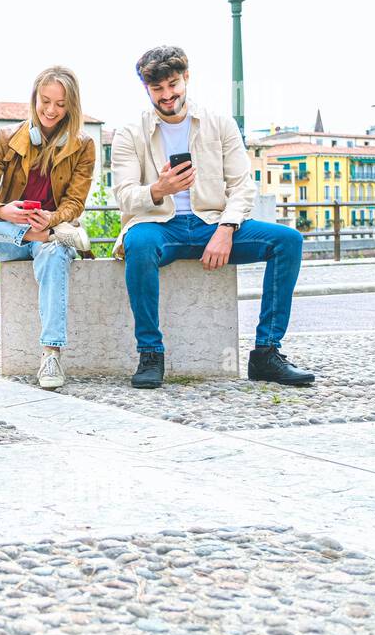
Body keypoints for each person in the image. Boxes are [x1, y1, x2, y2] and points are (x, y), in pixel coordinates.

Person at [113, 45, 314, 388]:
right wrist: (158, 189)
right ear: (146, 88)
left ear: (186, 78)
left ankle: (266, 353)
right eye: (157, 88)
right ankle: (150, 352)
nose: (166, 95)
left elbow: (242, 186)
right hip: (160, 226)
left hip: (212, 224)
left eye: (173, 85)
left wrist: (226, 227)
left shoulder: (219, 124)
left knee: (288, 241)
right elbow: (124, 196)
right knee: (138, 243)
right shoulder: (129, 133)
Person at [0, 66, 95, 388]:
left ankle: (51, 355)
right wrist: (2, 210)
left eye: (60, 104)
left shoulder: (83, 145)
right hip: (11, 235)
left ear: (71, 106)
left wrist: (52, 219)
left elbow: (75, 203)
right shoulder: (6, 138)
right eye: (45, 101)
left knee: (54, 252)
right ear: (34, 99)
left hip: (51, 233)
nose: (51, 110)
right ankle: (30, 234)